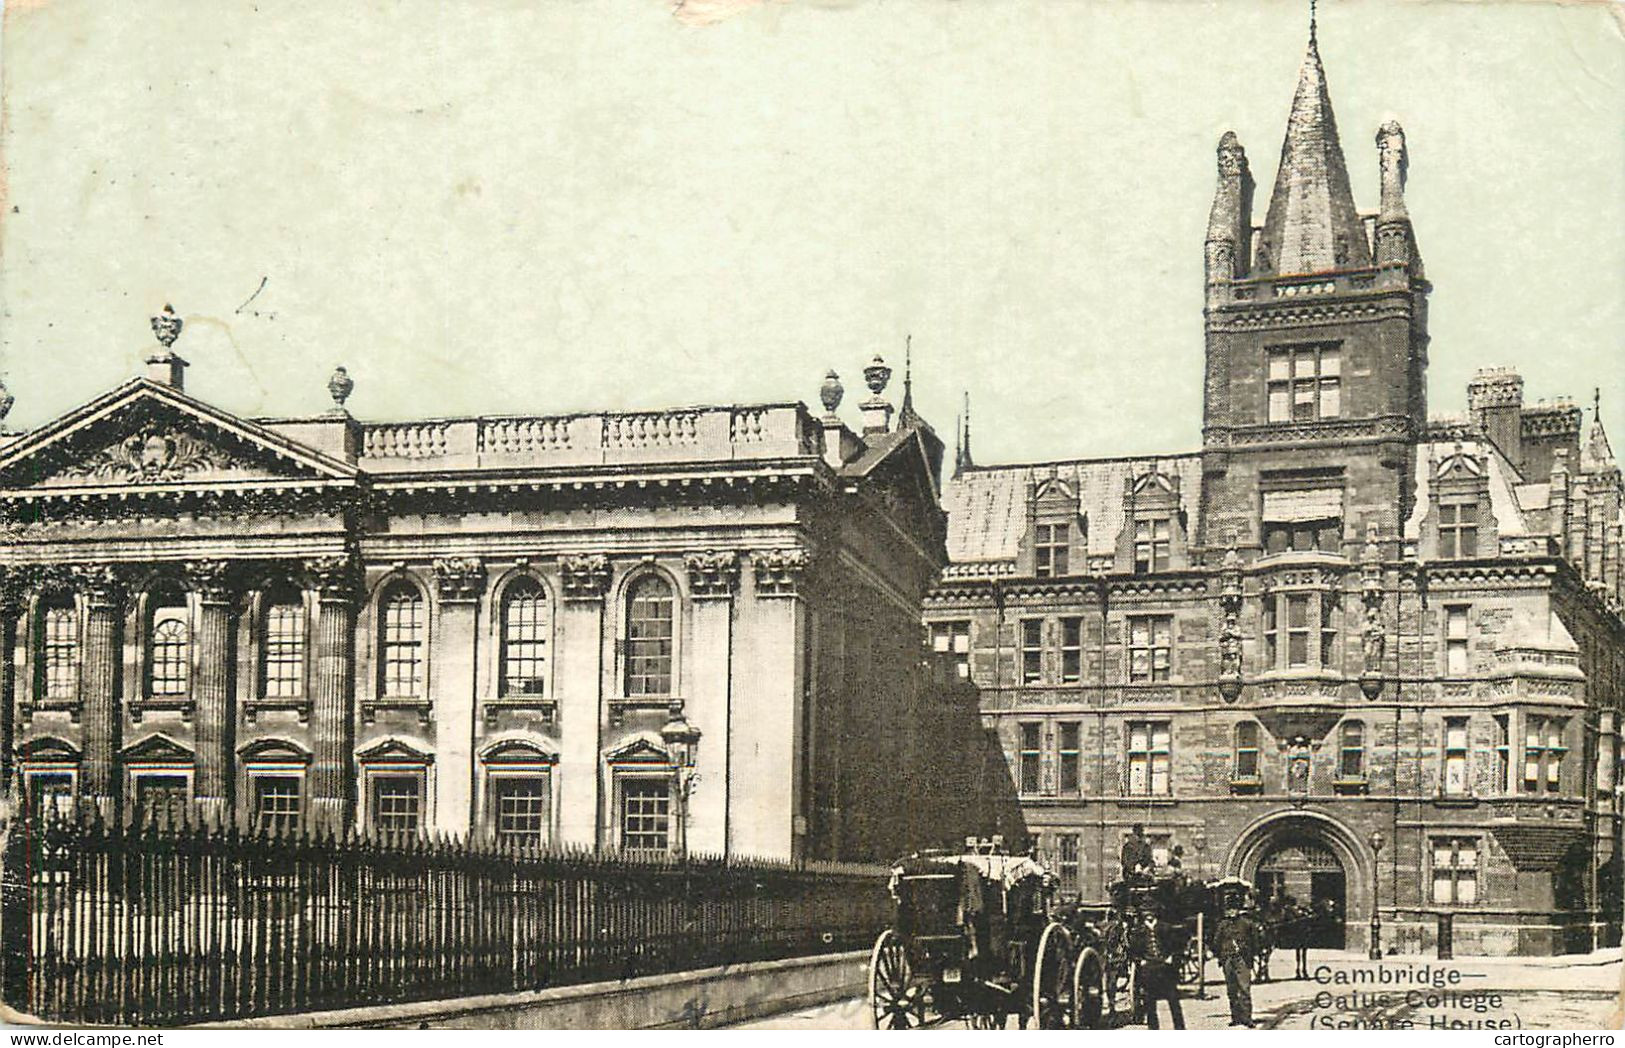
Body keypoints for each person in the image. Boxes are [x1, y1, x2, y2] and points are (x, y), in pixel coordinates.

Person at [1128, 896, 1185, 1030]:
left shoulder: (1166, 928)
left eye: (1151, 911)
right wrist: (1140, 961)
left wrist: (1171, 957)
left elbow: (1178, 946)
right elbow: (1133, 951)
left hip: (1166, 969)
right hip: (1148, 969)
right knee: (1150, 1003)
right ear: (1142, 914)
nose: (1148, 914)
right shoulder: (1138, 931)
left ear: (1156, 912)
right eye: (1145, 911)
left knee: (1173, 1001)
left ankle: (1180, 1029)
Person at [1213, 901, 1259, 1028]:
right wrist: (1220, 957)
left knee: (1244, 989)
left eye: (1234, 909)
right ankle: (1236, 1017)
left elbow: (1255, 941)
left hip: (1242, 959)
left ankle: (1247, 1018)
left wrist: (1250, 955)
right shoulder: (1223, 925)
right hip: (1228, 959)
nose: (1231, 912)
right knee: (1231, 989)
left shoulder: (1247, 923)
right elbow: (1216, 942)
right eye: (1229, 909)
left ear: (1238, 910)